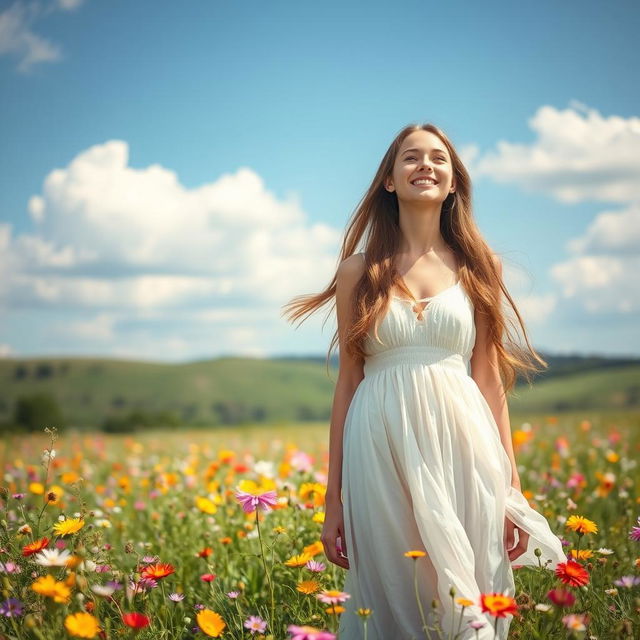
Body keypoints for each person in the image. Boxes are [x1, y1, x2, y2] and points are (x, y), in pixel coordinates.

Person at [282, 123, 567, 640]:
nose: (425, 166)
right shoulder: (358, 271)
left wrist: (511, 493)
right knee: (398, 591)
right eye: (411, 158)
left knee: (468, 589)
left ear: (453, 181)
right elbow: (348, 381)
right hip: (379, 447)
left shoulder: (482, 266)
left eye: (439, 158)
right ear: (389, 180)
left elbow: (488, 379)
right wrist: (333, 502)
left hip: (465, 444)